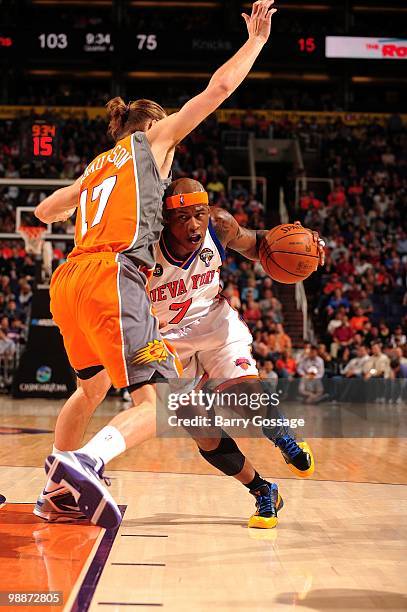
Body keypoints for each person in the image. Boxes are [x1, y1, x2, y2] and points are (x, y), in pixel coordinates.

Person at [33, 0, 279, 530]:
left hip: (67, 279)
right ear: (153, 126)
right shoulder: (152, 141)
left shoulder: (97, 167)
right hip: (110, 275)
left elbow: (47, 208)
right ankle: (86, 462)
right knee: (158, 403)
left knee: (90, 388)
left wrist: (36, 222)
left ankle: (53, 490)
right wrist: (256, 40)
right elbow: (216, 90)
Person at [36, 177, 323, 531]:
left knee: (242, 393)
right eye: (183, 217)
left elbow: (259, 242)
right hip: (165, 340)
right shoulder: (141, 247)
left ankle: (283, 437)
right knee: (201, 429)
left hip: (214, 324)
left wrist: (303, 244)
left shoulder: (220, 225)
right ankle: (264, 489)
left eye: (199, 214)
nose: (194, 225)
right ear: (164, 220)